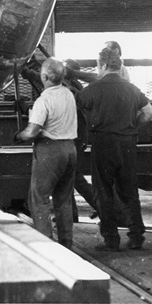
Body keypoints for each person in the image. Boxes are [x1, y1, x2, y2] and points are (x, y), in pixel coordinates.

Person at [76, 47, 152, 251]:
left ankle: (111, 240)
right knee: (129, 190)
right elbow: (149, 113)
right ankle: (136, 236)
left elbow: (77, 109)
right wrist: (132, 125)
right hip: (127, 144)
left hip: (103, 143)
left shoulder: (92, 89)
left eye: (97, 66)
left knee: (103, 191)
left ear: (103, 65)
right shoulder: (132, 89)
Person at [13, 58, 78, 248]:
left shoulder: (44, 100)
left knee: (39, 199)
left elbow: (32, 132)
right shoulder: (68, 94)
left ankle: (46, 246)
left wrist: (18, 136)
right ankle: (66, 244)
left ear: (44, 76)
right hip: (70, 149)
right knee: (64, 201)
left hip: (50, 151)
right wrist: (28, 109)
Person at [61, 60, 99, 221]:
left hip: (75, 138)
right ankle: (71, 213)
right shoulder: (72, 86)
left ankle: (100, 207)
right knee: (68, 175)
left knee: (72, 175)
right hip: (76, 137)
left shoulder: (73, 88)